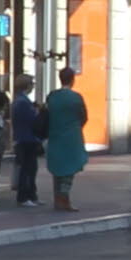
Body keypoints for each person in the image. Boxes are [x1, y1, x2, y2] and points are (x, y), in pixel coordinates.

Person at [40, 68, 91, 213]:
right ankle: (64, 199)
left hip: (55, 135)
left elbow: (46, 114)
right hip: (71, 137)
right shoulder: (76, 98)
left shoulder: (52, 96)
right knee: (69, 170)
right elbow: (84, 116)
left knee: (58, 169)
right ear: (72, 79)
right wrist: (75, 126)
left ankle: (58, 198)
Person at [8, 76, 46, 208]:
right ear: (27, 86)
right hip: (26, 139)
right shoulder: (22, 102)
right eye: (32, 84)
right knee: (27, 169)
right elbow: (32, 120)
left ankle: (31, 195)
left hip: (25, 138)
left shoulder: (21, 101)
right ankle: (24, 196)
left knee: (31, 168)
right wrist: (39, 112)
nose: (33, 86)